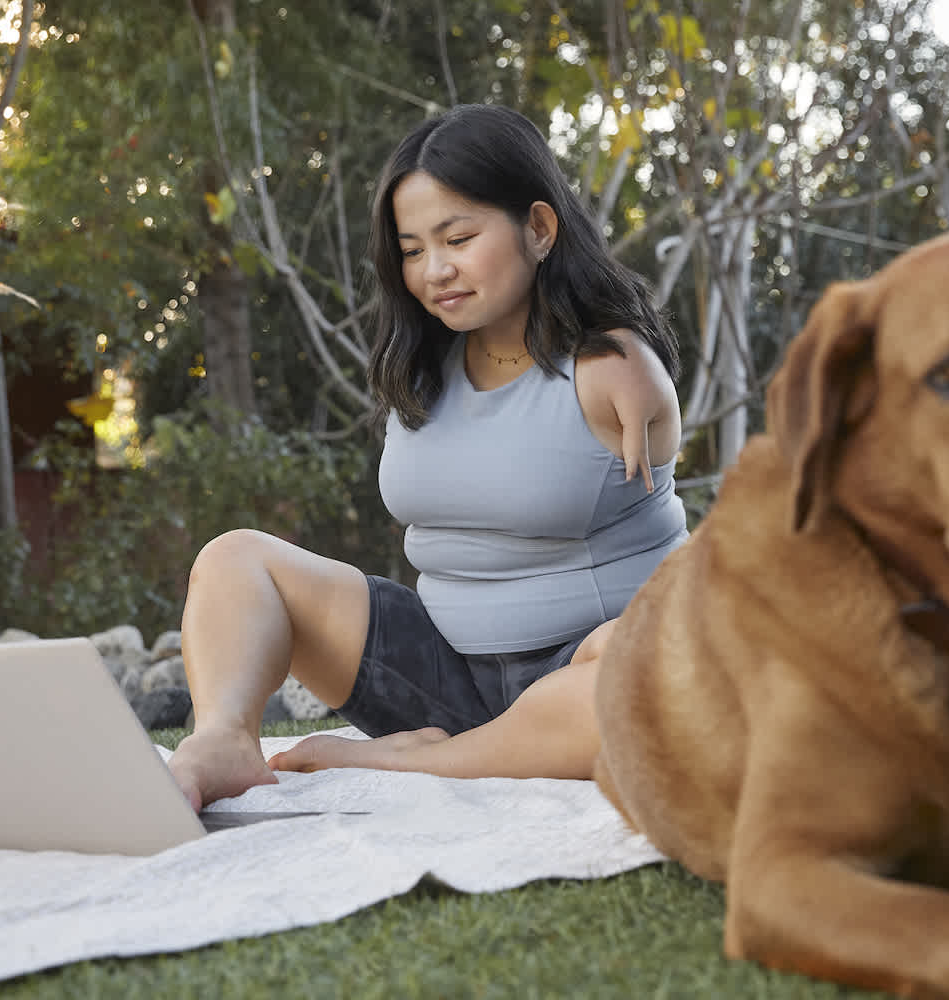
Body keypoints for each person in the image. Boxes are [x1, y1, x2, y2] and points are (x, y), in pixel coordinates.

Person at [167, 103, 687, 811]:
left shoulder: (610, 365)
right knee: (235, 558)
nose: (434, 270)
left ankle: (421, 766)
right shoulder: (423, 368)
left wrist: (627, 350)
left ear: (538, 228)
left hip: (590, 672)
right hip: (443, 680)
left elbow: (653, 404)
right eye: (412, 250)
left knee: (637, 680)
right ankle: (223, 740)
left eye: (458, 237)